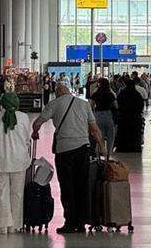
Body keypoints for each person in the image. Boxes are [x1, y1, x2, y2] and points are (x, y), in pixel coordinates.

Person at [32, 82, 105, 234]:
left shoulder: (54, 104)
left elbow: (38, 122)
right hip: (83, 150)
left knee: (67, 187)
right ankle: (81, 221)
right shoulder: (84, 104)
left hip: (64, 151)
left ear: (58, 93)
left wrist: (35, 132)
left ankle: (70, 223)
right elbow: (94, 128)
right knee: (82, 185)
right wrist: (102, 147)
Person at [0, 88, 31, 234]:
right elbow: (27, 139)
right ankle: (15, 225)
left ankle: (2, 225)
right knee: (17, 192)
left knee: (0, 192)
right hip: (18, 159)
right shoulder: (24, 117)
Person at [115, 78, 146, 152]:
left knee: (124, 133)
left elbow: (118, 104)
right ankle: (135, 147)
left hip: (124, 117)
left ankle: (123, 147)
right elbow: (141, 105)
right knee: (135, 133)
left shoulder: (122, 94)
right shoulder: (137, 95)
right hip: (135, 118)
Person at [90, 77, 118, 156]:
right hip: (108, 115)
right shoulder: (110, 94)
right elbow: (116, 106)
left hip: (98, 115)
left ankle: (99, 153)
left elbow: (91, 106)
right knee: (110, 135)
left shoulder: (96, 93)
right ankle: (108, 153)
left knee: (99, 135)